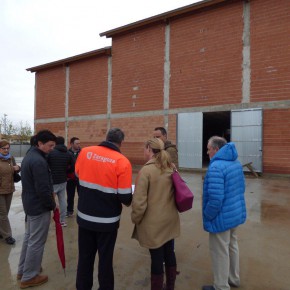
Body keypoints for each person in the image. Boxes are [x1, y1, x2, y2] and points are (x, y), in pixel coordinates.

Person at [75, 128, 132, 290]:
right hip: (107, 222)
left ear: (106, 138)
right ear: (121, 142)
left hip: (85, 217)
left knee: (85, 258)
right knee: (105, 259)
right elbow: (125, 196)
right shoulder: (122, 161)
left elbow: (79, 177)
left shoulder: (85, 152)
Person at [131, 138, 180, 290]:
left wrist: (136, 219)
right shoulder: (170, 167)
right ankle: (170, 286)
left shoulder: (146, 171)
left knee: (157, 258)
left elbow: (139, 203)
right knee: (169, 253)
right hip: (170, 219)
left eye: (144, 149)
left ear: (149, 150)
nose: (143, 152)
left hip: (154, 224)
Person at [202, 136, 247, 290]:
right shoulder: (236, 163)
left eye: (208, 149)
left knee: (220, 251)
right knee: (232, 245)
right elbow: (242, 188)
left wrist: (208, 215)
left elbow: (215, 199)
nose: (207, 152)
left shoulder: (216, 167)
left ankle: (221, 286)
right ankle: (233, 278)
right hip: (234, 214)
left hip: (221, 217)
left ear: (216, 149)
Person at [17, 130, 57, 289]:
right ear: (40, 143)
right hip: (38, 206)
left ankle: (23, 270)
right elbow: (43, 189)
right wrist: (52, 205)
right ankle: (29, 276)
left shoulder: (30, 156)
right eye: (50, 145)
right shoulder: (38, 161)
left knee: (29, 238)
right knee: (36, 242)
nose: (52, 148)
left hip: (30, 204)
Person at [47, 136, 74, 227]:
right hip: (63, 180)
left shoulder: (51, 153)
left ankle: (46, 220)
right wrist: (67, 174)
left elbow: (45, 165)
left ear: (55, 143)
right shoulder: (68, 153)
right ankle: (62, 220)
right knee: (62, 200)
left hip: (52, 181)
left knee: (49, 200)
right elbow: (73, 166)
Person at [0, 140, 21, 245]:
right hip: (0, 190)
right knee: (3, 214)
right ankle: (7, 235)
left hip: (9, 189)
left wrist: (17, 168)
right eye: (4, 148)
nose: (6, 150)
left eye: (8, 148)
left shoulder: (11, 158)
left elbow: (16, 169)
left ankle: (1, 231)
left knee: (5, 213)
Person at [66, 137, 81, 217]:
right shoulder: (67, 153)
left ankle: (81, 211)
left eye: (79, 143)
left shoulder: (82, 153)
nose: (79, 145)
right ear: (71, 144)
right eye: (77, 143)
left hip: (80, 178)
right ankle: (69, 211)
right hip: (70, 178)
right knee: (70, 196)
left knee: (81, 195)